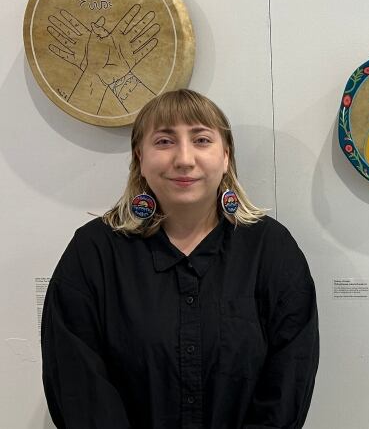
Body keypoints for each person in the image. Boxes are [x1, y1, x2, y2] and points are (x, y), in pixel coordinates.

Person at [41, 89, 319, 428]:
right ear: (139, 158)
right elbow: (76, 381)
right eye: (164, 142)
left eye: (202, 140)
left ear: (226, 156)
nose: (184, 159)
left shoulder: (271, 250)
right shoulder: (93, 252)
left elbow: (290, 375)